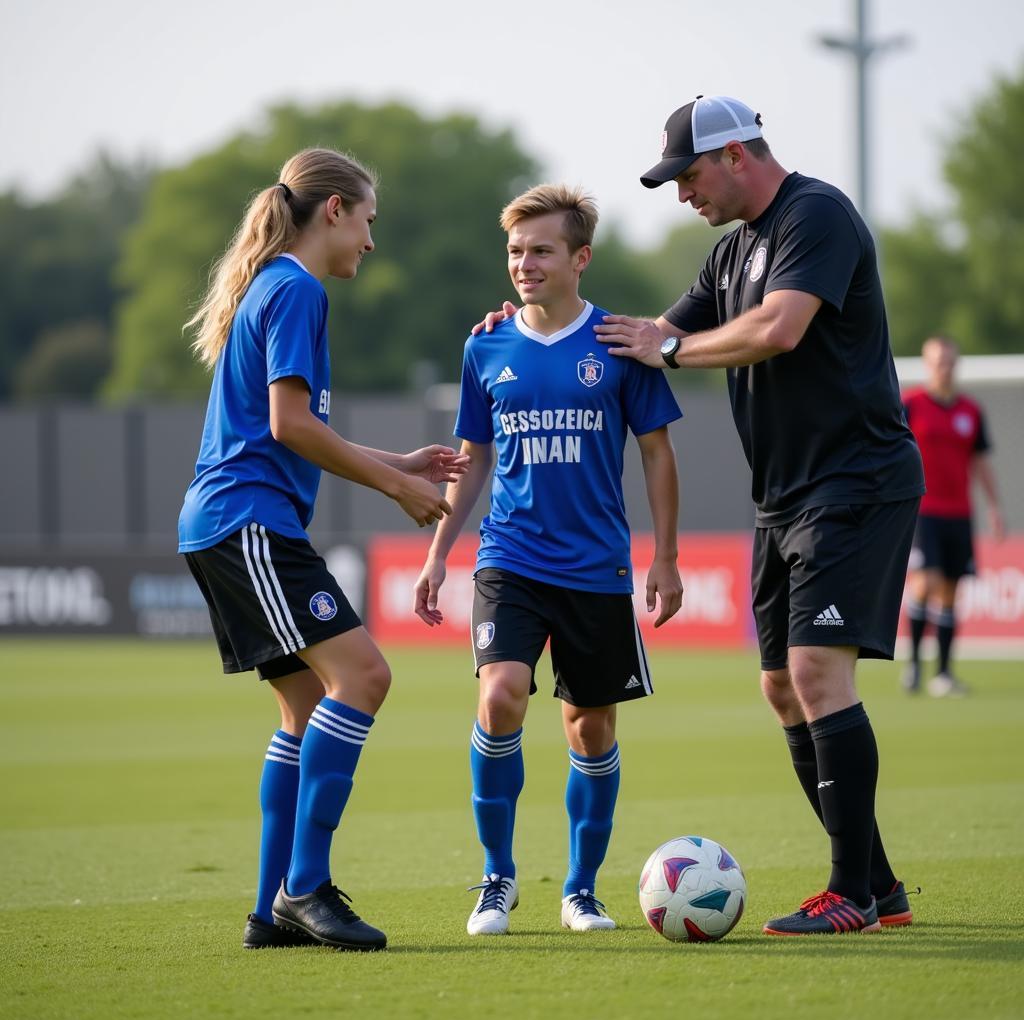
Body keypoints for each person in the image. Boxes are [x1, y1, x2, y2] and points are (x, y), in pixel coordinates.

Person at [482, 96, 924, 935]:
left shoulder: (816, 214)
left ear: (733, 154)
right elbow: (634, 334)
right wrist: (526, 322)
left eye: (688, 176)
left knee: (818, 675)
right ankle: (881, 882)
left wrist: (674, 349)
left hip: (856, 483)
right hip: (784, 496)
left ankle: (851, 893)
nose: (682, 194)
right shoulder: (730, 254)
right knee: (781, 688)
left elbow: (779, 328)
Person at [178, 147, 467, 951]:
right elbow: (288, 427)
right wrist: (397, 490)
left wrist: (396, 462)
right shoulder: (298, 288)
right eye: (368, 221)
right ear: (333, 211)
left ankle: (271, 913)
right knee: (367, 675)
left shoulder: (272, 283)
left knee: (306, 709)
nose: (371, 242)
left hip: (226, 523)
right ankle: (304, 887)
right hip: (249, 522)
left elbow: (297, 430)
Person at [415, 184, 683, 935]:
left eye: (540, 250)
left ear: (580, 258)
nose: (524, 264)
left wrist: (666, 557)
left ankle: (581, 889)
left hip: (598, 567)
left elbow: (658, 454)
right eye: (514, 251)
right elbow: (472, 458)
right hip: (510, 558)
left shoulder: (620, 345)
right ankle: (496, 877)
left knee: (588, 729)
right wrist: (439, 553)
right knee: (500, 694)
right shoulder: (485, 345)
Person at [902, 335, 1004, 697]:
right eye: (937, 361)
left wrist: (994, 507)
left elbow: (980, 462)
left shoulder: (970, 411)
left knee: (949, 591)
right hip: (922, 509)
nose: (943, 367)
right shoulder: (910, 404)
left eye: (949, 360)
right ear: (927, 364)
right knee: (925, 582)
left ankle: (943, 674)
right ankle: (913, 664)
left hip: (959, 513)